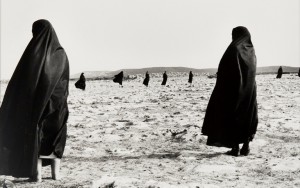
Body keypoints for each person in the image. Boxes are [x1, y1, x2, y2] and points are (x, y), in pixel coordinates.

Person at [0, 19, 69, 181]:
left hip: (40, 105)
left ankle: (37, 175)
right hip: (58, 104)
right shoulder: (61, 53)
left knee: (38, 135)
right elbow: (64, 81)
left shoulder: (35, 52)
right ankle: (55, 175)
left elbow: (25, 81)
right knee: (56, 137)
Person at [201, 26, 258, 157]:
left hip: (234, 91)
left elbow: (224, 71)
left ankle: (235, 148)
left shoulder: (233, 49)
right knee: (248, 116)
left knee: (233, 117)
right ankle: (246, 147)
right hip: (249, 92)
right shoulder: (251, 51)